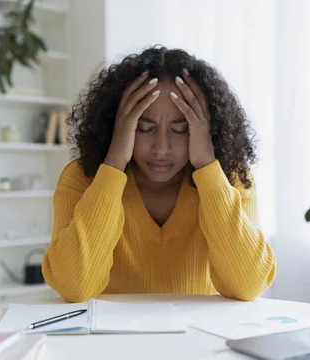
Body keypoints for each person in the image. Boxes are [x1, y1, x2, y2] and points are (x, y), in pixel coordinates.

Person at [42, 46, 276, 303]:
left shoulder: (231, 178)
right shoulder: (81, 178)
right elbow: (73, 287)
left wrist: (208, 168)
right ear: (116, 127)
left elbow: (249, 285)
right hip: (109, 339)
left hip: (201, 337)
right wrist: (113, 166)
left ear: (207, 131)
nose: (161, 148)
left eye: (180, 129)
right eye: (144, 128)